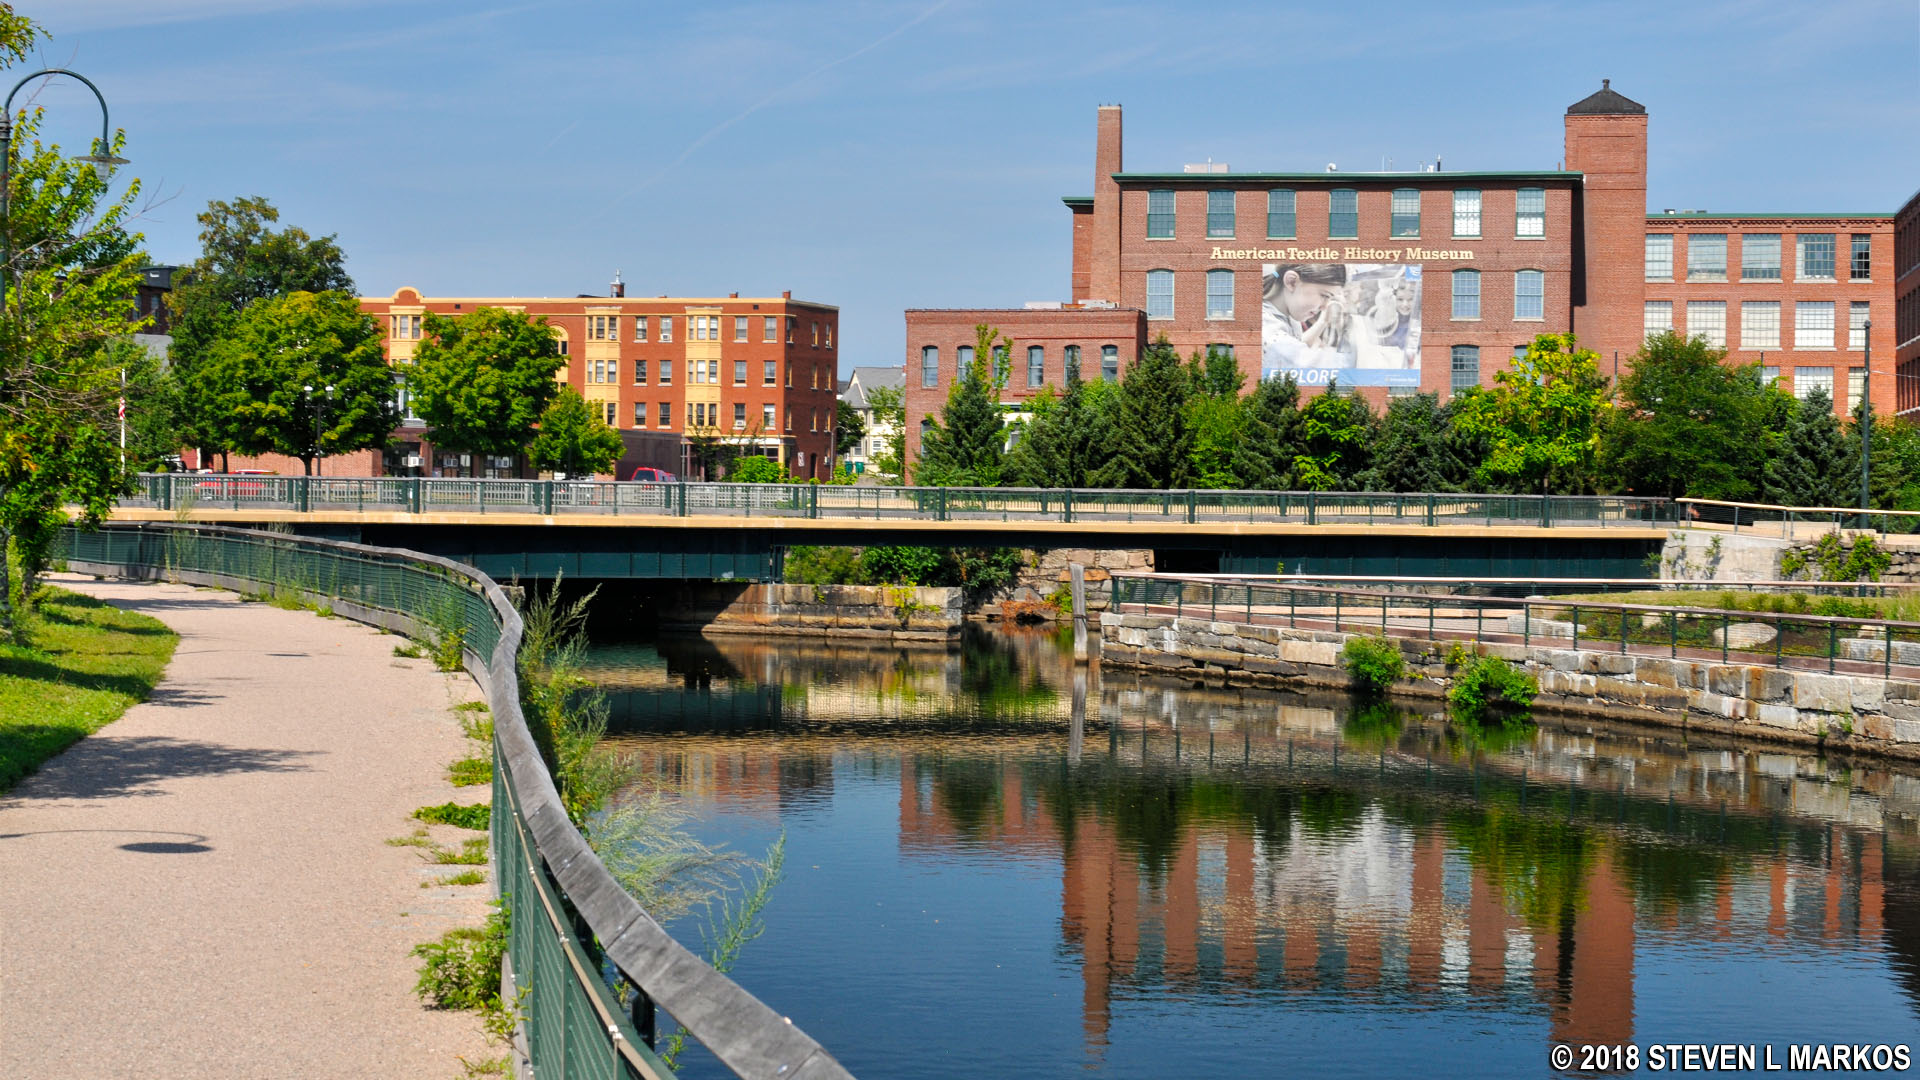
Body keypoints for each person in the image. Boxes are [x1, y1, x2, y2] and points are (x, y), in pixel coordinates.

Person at [1262, 263, 1353, 372]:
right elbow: (1310, 362)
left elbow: (1295, 345)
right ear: (1292, 282)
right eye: (1324, 295)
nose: (1324, 307)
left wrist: (1323, 321)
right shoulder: (1267, 329)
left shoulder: (1288, 316)